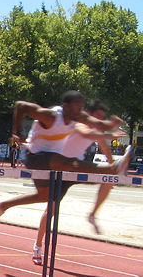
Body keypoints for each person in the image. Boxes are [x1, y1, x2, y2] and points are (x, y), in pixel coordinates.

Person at [0, 91, 133, 237]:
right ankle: (111, 169)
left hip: (52, 160)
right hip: (34, 156)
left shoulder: (79, 117)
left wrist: (113, 124)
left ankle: (2, 205)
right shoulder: (51, 117)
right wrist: (17, 131)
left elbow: (100, 124)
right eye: (77, 106)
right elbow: (21, 105)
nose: (80, 109)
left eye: (81, 106)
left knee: (44, 196)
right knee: (69, 163)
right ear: (66, 106)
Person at [31, 99, 127, 265]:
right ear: (89, 114)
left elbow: (104, 148)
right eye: (98, 117)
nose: (100, 121)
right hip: (60, 168)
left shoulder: (96, 129)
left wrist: (112, 168)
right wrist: (109, 133)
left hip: (78, 168)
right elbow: (86, 133)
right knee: (51, 210)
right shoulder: (76, 122)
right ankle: (38, 245)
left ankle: (92, 214)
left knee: (108, 180)